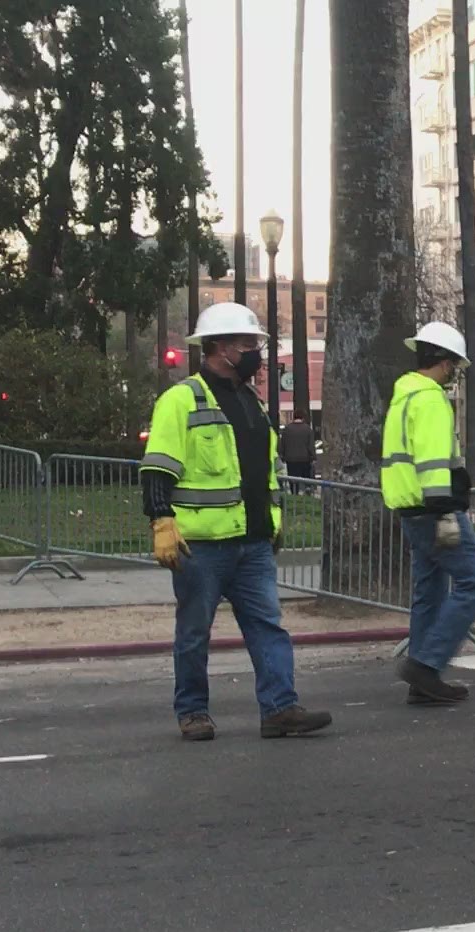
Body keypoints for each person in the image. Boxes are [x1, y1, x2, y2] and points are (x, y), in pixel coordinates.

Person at [140, 302, 335, 742]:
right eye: (249, 345)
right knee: (194, 633)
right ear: (220, 347)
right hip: (202, 545)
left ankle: (280, 708)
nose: (256, 354)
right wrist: (160, 520)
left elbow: (263, 474)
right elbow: (157, 468)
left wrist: (274, 522)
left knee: (268, 627)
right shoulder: (181, 399)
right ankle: (193, 713)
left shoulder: (251, 401)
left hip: (253, 542)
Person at [381, 321, 475, 705]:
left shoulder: (404, 396)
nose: (454, 374)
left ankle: (422, 677)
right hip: (433, 509)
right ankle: (426, 665)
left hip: (410, 508)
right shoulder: (429, 399)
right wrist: (446, 509)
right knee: (473, 583)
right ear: (444, 363)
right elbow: (429, 461)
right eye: (454, 367)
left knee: (428, 591)